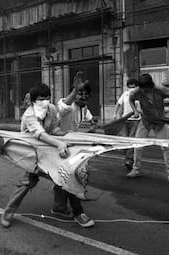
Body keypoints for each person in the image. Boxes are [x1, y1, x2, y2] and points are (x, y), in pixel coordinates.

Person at [1, 83, 70, 228]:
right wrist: (58, 144)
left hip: (48, 150)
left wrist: (66, 136)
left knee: (60, 176)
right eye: (41, 99)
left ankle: (60, 207)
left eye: (47, 98)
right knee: (27, 183)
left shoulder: (51, 109)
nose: (45, 101)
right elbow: (40, 134)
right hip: (31, 154)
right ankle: (7, 213)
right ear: (33, 101)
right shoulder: (29, 115)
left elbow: (54, 128)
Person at [126, 74, 169, 186]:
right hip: (146, 121)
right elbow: (131, 100)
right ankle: (136, 169)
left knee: (166, 147)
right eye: (143, 89)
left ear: (151, 86)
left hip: (159, 121)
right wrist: (135, 111)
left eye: (147, 89)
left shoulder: (160, 90)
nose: (145, 91)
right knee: (137, 145)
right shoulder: (136, 92)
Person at [55, 71, 96, 228]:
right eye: (80, 93)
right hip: (57, 147)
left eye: (85, 94)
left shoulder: (84, 109)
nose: (82, 97)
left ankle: (59, 207)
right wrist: (74, 91)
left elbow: (91, 123)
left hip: (72, 148)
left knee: (65, 178)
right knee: (72, 176)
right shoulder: (69, 104)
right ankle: (78, 213)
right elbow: (62, 108)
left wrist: (92, 127)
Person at [113, 78, 140, 170]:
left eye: (133, 87)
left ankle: (129, 160)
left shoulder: (140, 96)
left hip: (135, 121)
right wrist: (115, 114)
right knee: (125, 139)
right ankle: (128, 158)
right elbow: (119, 104)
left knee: (131, 139)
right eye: (129, 87)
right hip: (125, 120)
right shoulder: (125, 94)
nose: (131, 89)